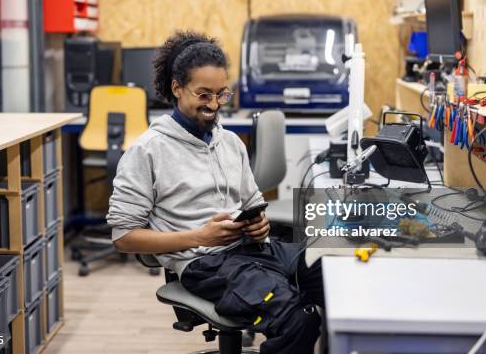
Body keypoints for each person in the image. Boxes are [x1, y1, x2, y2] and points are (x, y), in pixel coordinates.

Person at [107, 30, 324, 354]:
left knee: (330, 271)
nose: (213, 105)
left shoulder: (230, 142)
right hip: (206, 264)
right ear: (177, 88)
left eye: (221, 95)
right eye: (203, 95)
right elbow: (124, 237)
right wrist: (200, 237)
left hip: (253, 251)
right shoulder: (149, 151)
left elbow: (252, 204)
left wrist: (259, 224)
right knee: (297, 317)